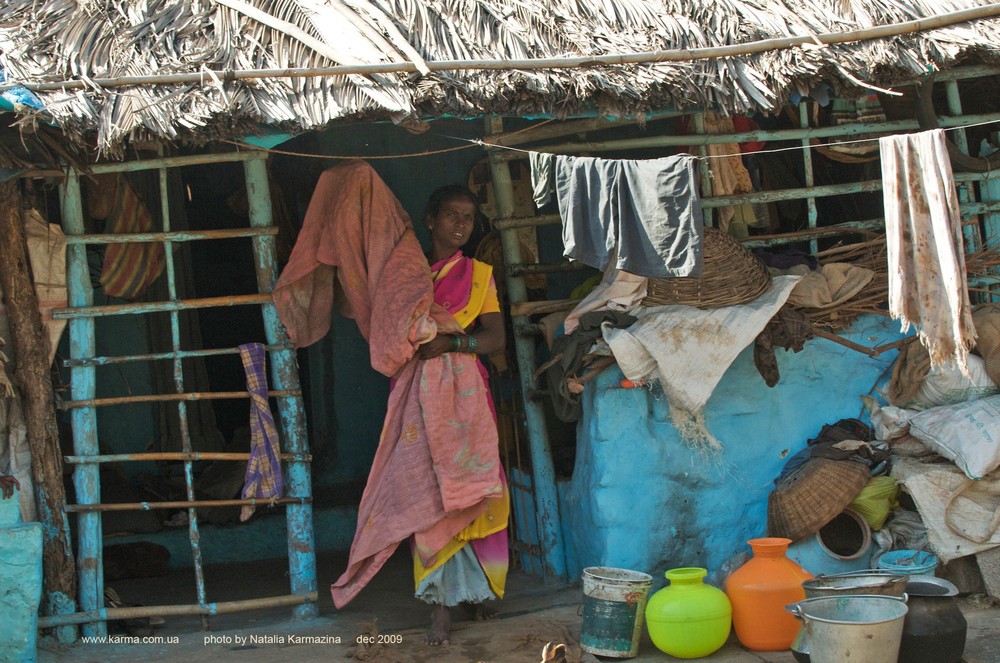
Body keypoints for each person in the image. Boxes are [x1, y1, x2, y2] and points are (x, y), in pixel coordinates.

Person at [412, 185, 509, 645]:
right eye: (451, 215)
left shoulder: (478, 275)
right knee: (431, 495)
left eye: (468, 219)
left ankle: (478, 591)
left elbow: (495, 339)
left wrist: (452, 344)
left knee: (476, 489)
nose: (460, 225)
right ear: (430, 219)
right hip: (417, 397)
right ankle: (440, 608)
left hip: (468, 398)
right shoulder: (407, 274)